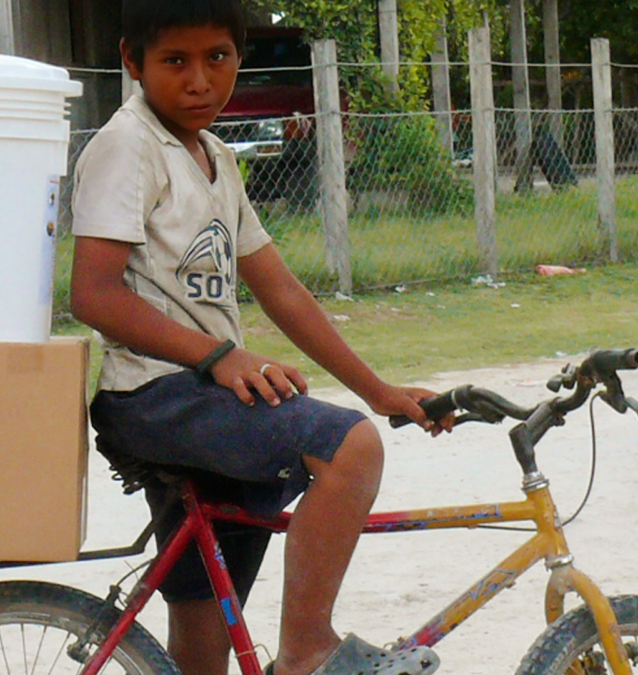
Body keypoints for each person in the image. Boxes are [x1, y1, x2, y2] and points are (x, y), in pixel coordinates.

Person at [68, 2, 449, 675]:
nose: (199, 81)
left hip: (197, 394)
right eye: (174, 62)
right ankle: (306, 650)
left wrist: (380, 389)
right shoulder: (127, 146)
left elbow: (281, 291)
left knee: (206, 623)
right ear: (133, 62)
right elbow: (93, 294)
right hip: (155, 395)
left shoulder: (214, 155)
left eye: (217, 58)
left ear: (238, 57)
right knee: (350, 446)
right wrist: (220, 356)